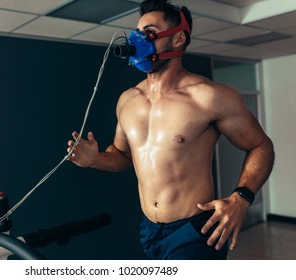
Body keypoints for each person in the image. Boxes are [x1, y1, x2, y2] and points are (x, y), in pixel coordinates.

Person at [67, 0, 274, 260]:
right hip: (149, 230)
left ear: (177, 39)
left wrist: (241, 199)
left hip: (196, 230)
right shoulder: (127, 100)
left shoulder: (208, 97)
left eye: (150, 34)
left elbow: (261, 146)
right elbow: (122, 155)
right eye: (138, 33)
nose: (138, 40)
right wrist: (95, 160)